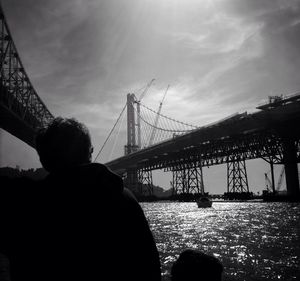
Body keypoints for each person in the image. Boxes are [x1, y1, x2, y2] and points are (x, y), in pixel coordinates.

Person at [0, 117, 161, 281]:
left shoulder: (26, 209)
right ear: (89, 153)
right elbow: (150, 268)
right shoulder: (124, 199)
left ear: (44, 161)